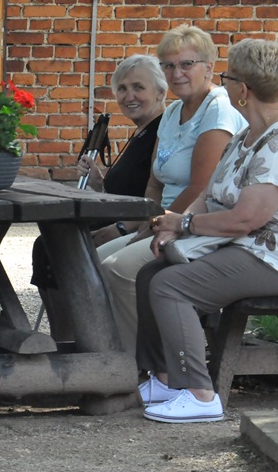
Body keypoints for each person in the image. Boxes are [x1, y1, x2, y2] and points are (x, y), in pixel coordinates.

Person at [137, 38, 278, 423]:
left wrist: (184, 223)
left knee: (171, 286)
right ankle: (166, 380)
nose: (223, 84)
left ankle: (201, 395)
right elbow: (208, 194)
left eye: (227, 77)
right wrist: (174, 229)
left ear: (244, 89)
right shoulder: (246, 136)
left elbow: (246, 219)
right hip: (245, 246)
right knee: (150, 274)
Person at [98, 25, 247, 356]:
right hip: (164, 222)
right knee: (93, 262)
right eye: (168, 65)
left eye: (186, 64)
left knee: (117, 269)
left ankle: (141, 364)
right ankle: (106, 353)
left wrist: (156, 226)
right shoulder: (173, 113)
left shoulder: (218, 111)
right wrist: (143, 224)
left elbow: (200, 188)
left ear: (209, 67)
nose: (176, 73)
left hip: (200, 225)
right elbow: (155, 182)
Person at [32, 55, 167, 340]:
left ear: (160, 92)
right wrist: (99, 183)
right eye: (122, 89)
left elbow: (158, 194)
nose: (129, 96)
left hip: (137, 226)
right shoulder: (141, 133)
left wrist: (122, 227)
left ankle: (77, 339)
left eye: (139, 87)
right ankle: (67, 338)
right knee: (51, 240)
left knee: (55, 245)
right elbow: (129, 191)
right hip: (122, 218)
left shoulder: (161, 132)